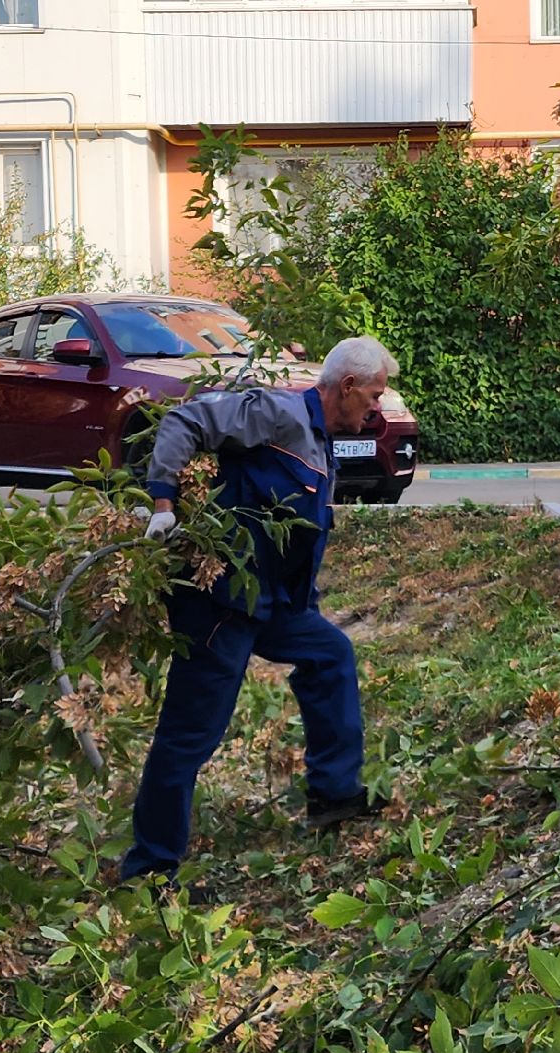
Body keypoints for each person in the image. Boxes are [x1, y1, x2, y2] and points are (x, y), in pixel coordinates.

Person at [118, 336, 398, 887]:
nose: (376, 407)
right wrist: (163, 504)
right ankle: (148, 871)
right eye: (372, 396)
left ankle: (334, 796)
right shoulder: (277, 413)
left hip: (272, 603)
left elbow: (299, 538)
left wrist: (305, 603)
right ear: (345, 388)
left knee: (330, 655)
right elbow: (184, 423)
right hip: (220, 600)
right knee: (190, 736)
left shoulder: (319, 442)